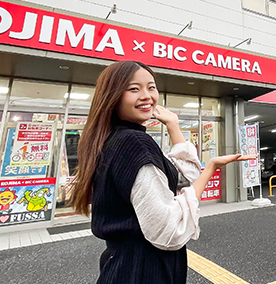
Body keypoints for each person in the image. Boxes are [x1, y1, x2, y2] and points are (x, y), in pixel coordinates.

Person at [70, 61, 255, 284]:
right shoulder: (134, 143)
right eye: (133, 89)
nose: (147, 95)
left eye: (151, 87)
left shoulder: (114, 139)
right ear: (113, 95)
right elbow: (169, 228)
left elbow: (183, 178)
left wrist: (173, 126)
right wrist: (212, 168)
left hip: (122, 265)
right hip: (144, 270)